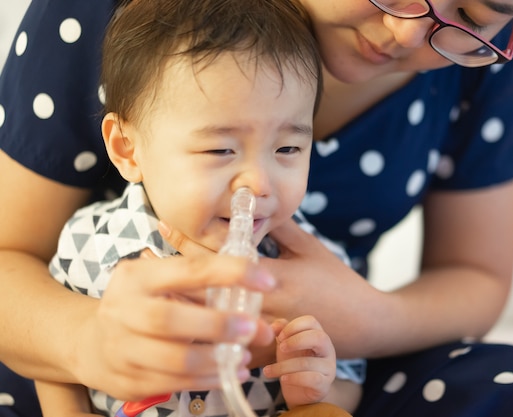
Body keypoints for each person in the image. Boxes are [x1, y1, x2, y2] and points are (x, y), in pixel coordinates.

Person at [0, 0, 513, 416]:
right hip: (60, 350)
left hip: (317, 366)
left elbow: (476, 277)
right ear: (125, 147)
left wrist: (364, 323)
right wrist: (88, 344)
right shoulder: (110, 18)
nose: (406, 33)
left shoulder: (479, 52)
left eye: (476, 13)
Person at [32, 0, 364, 416]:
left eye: (287, 148)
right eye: (220, 149)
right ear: (127, 149)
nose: (258, 184)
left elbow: (352, 371)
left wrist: (316, 391)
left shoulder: (315, 272)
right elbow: (51, 362)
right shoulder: (93, 244)